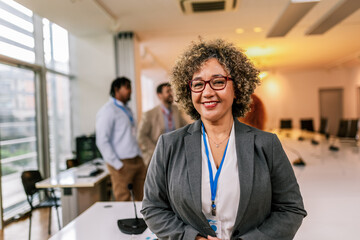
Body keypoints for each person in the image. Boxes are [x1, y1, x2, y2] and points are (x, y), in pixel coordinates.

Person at [141, 39, 306, 240]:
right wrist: (192, 238)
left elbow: (291, 209)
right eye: (198, 84)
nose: (208, 92)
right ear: (189, 91)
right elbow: (153, 207)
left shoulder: (266, 144)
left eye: (218, 82)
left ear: (236, 88)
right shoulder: (169, 145)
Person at [95, 77, 146, 201]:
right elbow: (102, 140)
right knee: (123, 200)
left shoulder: (127, 109)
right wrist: (117, 164)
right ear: (116, 89)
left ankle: (143, 221)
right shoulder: (108, 111)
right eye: (127, 87)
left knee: (143, 198)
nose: (130, 91)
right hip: (122, 163)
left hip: (137, 159)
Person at [137, 82, 188, 166]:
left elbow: (186, 127)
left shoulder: (176, 110)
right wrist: (156, 151)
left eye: (171, 91)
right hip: (156, 157)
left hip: (175, 155)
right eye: (168, 91)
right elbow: (141, 136)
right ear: (159, 95)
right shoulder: (149, 114)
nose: (171, 93)